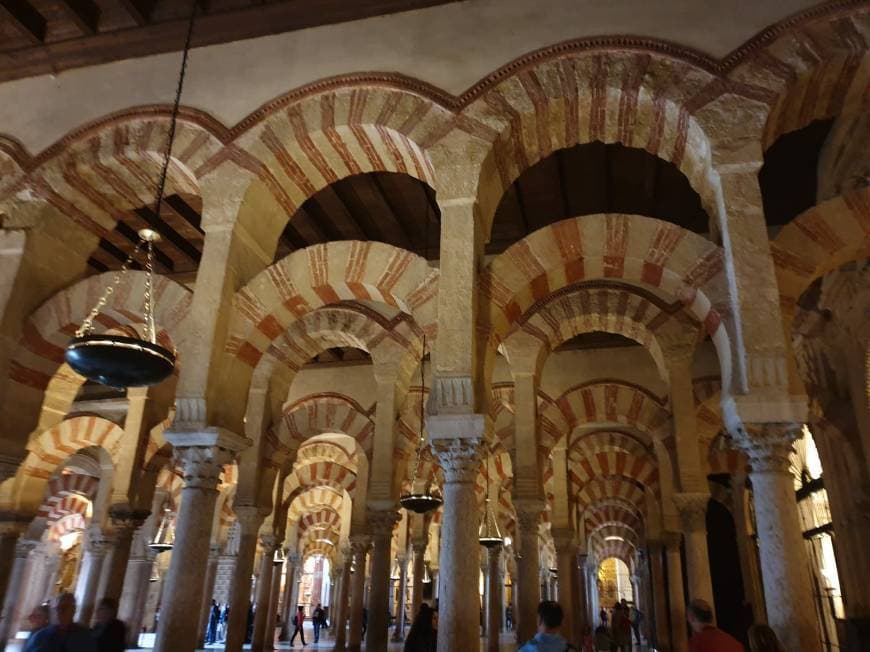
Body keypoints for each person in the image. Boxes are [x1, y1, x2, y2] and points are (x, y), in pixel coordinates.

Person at [25, 593, 97, 652]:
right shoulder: (40, 636)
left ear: (74, 610)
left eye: (64, 607)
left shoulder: (84, 636)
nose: (60, 611)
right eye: (57, 608)